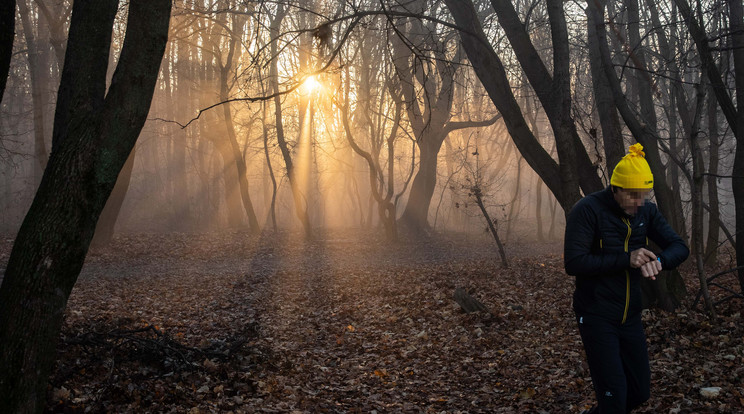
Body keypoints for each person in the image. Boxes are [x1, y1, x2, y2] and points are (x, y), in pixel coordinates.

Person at [564, 143, 689, 413]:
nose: (639, 202)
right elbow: (573, 262)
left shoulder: (646, 210)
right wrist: (626, 259)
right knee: (614, 398)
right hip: (596, 314)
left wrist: (659, 262)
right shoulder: (587, 210)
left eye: (644, 195)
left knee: (639, 393)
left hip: (630, 316)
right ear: (616, 189)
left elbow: (680, 247)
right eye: (633, 195)